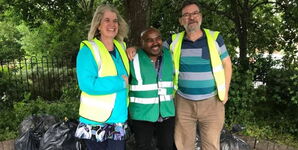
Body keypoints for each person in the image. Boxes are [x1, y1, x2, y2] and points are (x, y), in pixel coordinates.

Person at [126, 0, 232, 149]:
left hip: (212, 102)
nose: (191, 17)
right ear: (181, 20)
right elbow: (152, 47)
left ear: (200, 16)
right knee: (183, 145)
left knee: (211, 145)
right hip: (184, 103)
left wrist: (225, 91)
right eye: (186, 15)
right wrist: (135, 48)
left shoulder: (215, 38)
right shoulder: (174, 41)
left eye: (195, 13)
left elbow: (227, 64)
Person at [74, 4, 130, 150]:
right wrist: (120, 82)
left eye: (115, 20)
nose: (112, 24)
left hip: (118, 119)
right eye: (107, 20)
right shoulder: (88, 50)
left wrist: (134, 49)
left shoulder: (121, 47)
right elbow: (87, 84)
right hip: (95, 122)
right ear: (98, 25)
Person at [129, 27, 175, 150]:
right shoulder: (133, 58)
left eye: (158, 38)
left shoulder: (170, 55)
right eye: (149, 40)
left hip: (166, 113)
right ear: (141, 43)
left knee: (167, 147)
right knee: (143, 147)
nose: (155, 43)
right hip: (142, 115)